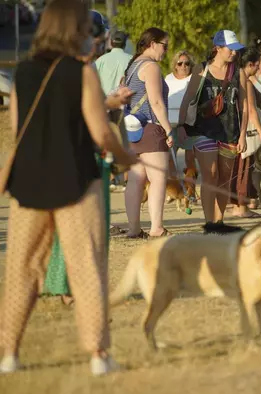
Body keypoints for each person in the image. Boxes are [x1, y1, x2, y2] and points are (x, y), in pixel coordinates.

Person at [0, 0, 137, 376]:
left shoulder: (22, 73)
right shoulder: (81, 74)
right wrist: (127, 158)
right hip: (76, 179)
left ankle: (8, 353)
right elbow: (99, 133)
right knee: (85, 265)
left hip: (28, 182)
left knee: (21, 268)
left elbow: (16, 132)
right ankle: (98, 355)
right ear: (73, 28)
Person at [178, 30, 249, 232]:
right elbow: (187, 99)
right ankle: (210, 223)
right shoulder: (202, 69)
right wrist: (182, 125)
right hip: (204, 130)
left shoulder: (239, 72)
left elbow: (244, 107)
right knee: (211, 176)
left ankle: (219, 222)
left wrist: (243, 134)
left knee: (225, 180)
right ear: (218, 48)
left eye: (236, 50)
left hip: (230, 131)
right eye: (230, 49)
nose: (234, 54)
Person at [123, 27, 174, 239]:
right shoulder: (151, 66)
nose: (166, 50)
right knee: (158, 178)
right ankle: (156, 228)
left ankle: (134, 229)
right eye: (164, 45)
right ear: (152, 43)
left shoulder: (132, 66)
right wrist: (169, 129)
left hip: (132, 129)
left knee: (135, 180)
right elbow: (155, 101)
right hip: (151, 128)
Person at [231, 48, 261, 218]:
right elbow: (251, 110)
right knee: (245, 169)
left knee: (239, 168)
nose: (258, 69)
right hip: (249, 130)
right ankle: (241, 207)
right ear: (250, 64)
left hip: (238, 128)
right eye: (257, 65)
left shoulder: (236, 78)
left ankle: (238, 206)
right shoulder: (247, 83)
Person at [165, 50, 196, 177]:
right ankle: (175, 189)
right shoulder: (168, 78)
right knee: (170, 158)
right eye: (180, 63)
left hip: (188, 125)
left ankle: (190, 191)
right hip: (170, 124)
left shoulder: (194, 79)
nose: (183, 66)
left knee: (190, 160)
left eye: (187, 63)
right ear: (175, 65)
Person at [94, 30, 133, 96]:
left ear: (111, 43)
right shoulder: (132, 60)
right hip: (125, 103)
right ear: (125, 44)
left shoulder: (100, 60)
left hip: (104, 102)